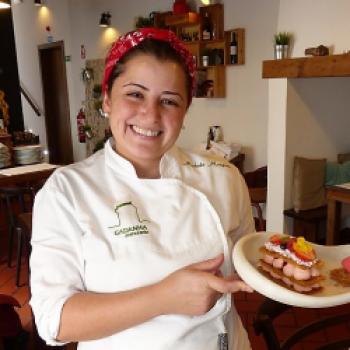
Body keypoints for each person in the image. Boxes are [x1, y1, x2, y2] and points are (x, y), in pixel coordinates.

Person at [30, 28, 255, 350]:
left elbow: (248, 262)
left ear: (185, 112)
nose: (151, 114)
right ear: (107, 99)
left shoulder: (223, 176)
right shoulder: (67, 191)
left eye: (169, 101)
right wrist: (163, 297)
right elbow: (55, 320)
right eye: (135, 94)